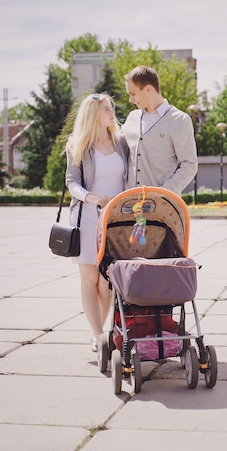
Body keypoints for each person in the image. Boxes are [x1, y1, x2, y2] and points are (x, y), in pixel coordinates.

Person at [66, 93, 128, 352]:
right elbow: (71, 182)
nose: (111, 112)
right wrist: (90, 197)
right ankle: (97, 334)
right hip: (87, 219)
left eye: (111, 108)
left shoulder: (122, 142)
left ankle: (102, 333)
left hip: (114, 220)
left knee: (107, 282)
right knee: (89, 279)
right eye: (105, 109)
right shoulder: (78, 145)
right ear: (93, 115)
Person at [121, 65, 198, 195]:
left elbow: (189, 165)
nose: (130, 100)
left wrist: (164, 193)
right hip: (131, 206)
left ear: (147, 89)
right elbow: (112, 143)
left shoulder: (179, 120)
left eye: (133, 94)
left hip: (163, 207)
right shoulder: (132, 118)